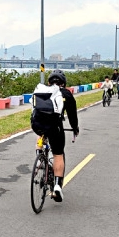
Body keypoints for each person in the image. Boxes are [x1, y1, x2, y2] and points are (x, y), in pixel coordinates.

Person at [30, 69, 79, 202]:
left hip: (37, 124)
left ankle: (39, 157)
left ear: (49, 82)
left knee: (41, 134)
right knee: (58, 154)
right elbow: (72, 115)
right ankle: (57, 186)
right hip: (54, 127)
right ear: (63, 83)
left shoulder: (41, 90)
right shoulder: (66, 94)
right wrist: (75, 128)